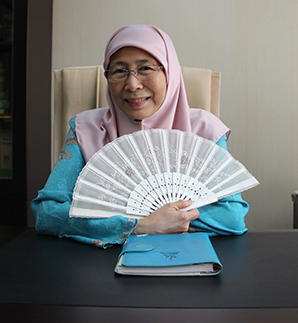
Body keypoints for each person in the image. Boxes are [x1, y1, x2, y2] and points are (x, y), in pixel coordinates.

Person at [31, 24, 249, 248]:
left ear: (170, 73)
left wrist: (165, 218)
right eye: (119, 71)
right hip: (100, 264)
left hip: (188, 258)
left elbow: (232, 217)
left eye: (145, 68)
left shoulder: (205, 130)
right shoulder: (85, 129)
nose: (132, 84)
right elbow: (47, 213)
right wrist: (140, 225)